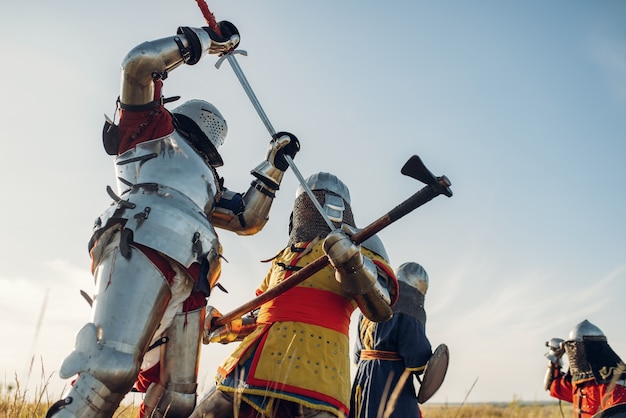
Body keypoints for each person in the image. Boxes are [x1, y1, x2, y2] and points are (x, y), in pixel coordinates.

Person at [46, 21, 299, 418]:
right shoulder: (150, 130)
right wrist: (199, 41)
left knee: (178, 399)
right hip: (143, 236)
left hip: (195, 270)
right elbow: (138, 65)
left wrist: (273, 166)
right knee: (111, 366)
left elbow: (247, 218)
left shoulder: (209, 183)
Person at [189, 172, 399, 418]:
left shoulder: (361, 245)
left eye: (317, 200)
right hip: (251, 364)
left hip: (319, 367)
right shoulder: (283, 257)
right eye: (307, 203)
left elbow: (381, 308)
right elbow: (260, 316)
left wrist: (352, 263)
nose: (311, 208)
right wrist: (227, 327)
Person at [349, 262, 432, 418]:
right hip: (391, 379)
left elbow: (356, 356)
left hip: (363, 378)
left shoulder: (372, 303)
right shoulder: (410, 310)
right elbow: (416, 359)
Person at [544, 319, 626, 418]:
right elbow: (552, 386)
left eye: (574, 347)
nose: (573, 352)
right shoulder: (579, 383)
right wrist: (554, 357)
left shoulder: (615, 383)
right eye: (570, 347)